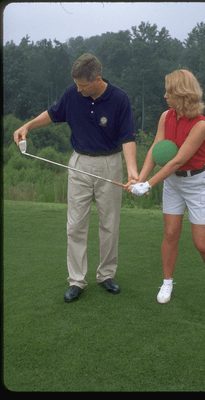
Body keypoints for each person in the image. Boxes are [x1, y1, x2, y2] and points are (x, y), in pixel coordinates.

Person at [14, 53, 139, 302]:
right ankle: (76, 280)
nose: (79, 89)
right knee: (75, 225)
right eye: (77, 84)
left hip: (109, 164)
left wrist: (133, 172)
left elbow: (128, 138)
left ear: (97, 79)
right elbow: (52, 114)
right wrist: (27, 126)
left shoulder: (119, 99)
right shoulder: (73, 94)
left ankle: (106, 275)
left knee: (109, 224)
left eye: (83, 85)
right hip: (79, 162)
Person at [125, 69, 205, 305]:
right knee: (171, 234)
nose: (165, 96)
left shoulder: (201, 125)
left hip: (198, 184)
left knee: (202, 244)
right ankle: (167, 282)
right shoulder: (166, 116)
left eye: (170, 92)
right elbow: (157, 149)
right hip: (174, 183)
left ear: (184, 95)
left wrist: (149, 184)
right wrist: (139, 179)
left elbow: (177, 161)